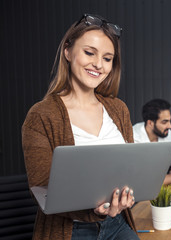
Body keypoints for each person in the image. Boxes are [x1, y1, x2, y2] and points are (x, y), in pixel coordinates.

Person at [22, 14, 139, 240]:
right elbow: (42, 189)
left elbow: (130, 169)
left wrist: (127, 195)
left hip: (117, 225)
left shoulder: (119, 109)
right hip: (70, 231)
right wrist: (92, 210)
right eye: (89, 53)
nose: (98, 64)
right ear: (67, 51)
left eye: (107, 58)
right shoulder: (41, 115)